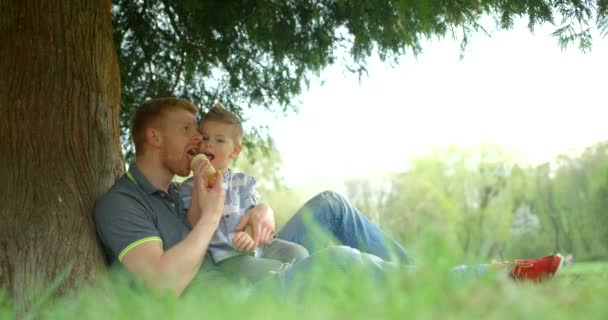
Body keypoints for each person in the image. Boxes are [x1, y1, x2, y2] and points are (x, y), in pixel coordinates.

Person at [94, 97, 562, 297]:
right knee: (336, 260)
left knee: (331, 206)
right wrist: (209, 214)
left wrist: (261, 209)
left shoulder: (180, 187)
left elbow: (234, 215)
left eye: (202, 134)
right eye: (187, 132)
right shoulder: (123, 203)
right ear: (153, 137)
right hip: (235, 298)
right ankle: (479, 281)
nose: (198, 142)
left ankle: (428, 280)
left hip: (251, 262)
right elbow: (162, 284)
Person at [180, 104, 309, 283]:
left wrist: (248, 234)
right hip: (228, 258)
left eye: (219, 140)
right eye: (205, 138)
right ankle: (295, 288)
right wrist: (198, 185)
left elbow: (252, 214)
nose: (209, 143)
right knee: (278, 272)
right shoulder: (188, 187)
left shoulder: (243, 182)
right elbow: (193, 223)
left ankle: (310, 286)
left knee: (300, 253)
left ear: (235, 151)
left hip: (259, 246)